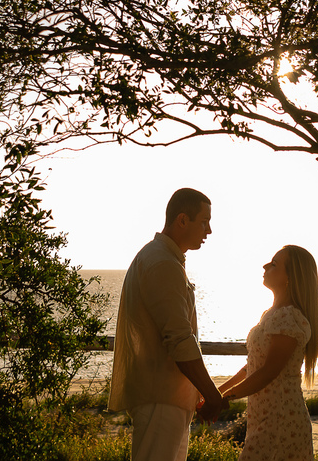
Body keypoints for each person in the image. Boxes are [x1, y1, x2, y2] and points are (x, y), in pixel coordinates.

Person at [109, 187, 225, 461]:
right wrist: (212, 394)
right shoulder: (163, 263)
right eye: (204, 222)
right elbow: (180, 340)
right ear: (182, 220)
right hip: (160, 400)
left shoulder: (161, 257)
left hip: (165, 398)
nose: (208, 231)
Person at [219, 245, 318, 461]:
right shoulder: (271, 314)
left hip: (281, 418)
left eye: (274, 264)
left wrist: (223, 399)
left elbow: (269, 371)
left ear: (290, 278)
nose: (265, 266)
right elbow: (253, 365)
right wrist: (218, 391)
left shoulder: (289, 317)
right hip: (265, 416)